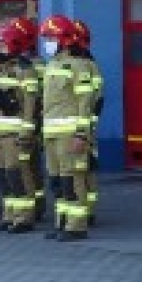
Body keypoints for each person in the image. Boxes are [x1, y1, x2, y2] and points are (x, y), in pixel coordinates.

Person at [38, 13, 96, 241]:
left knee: (72, 179)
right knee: (58, 181)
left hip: (70, 135)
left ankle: (77, 226)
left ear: (64, 39)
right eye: (46, 38)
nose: (47, 43)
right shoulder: (51, 65)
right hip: (52, 134)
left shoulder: (79, 66)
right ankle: (62, 222)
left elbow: (86, 103)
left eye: (50, 38)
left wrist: (82, 134)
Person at [0, 18, 43, 233]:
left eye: (1, 45)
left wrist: (26, 133)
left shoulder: (24, 70)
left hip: (14, 134)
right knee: (2, 175)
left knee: (17, 174)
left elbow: (30, 104)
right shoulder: (0, 72)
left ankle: (24, 217)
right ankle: (9, 214)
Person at [72, 18, 105, 225]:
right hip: (78, 126)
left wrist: (87, 128)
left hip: (84, 128)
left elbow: (96, 100)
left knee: (86, 170)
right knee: (81, 170)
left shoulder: (89, 66)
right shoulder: (81, 64)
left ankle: (87, 209)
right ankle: (83, 208)